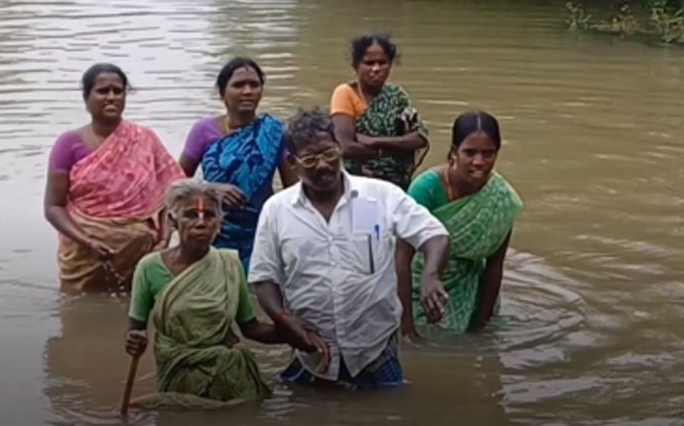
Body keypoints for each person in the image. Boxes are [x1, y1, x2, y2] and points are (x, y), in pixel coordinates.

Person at [248, 108, 450, 391]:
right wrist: (283, 319)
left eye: (329, 154)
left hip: (375, 349)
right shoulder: (277, 210)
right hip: (312, 352)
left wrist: (431, 274)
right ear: (292, 163)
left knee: (389, 424)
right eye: (310, 159)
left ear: (340, 148)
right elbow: (263, 277)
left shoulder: (378, 196)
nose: (322, 166)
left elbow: (434, 234)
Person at [124, 179, 325, 406]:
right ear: (173, 221)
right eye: (191, 215)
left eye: (209, 215)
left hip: (231, 376)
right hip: (178, 373)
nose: (201, 223)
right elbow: (135, 331)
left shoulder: (229, 264)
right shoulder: (149, 268)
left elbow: (251, 328)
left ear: (220, 223)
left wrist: (295, 334)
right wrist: (134, 342)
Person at [44, 63, 185, 293]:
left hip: (141, 254)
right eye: (102, 91)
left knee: (139, 315)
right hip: (83, 255)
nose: (111, 97)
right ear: (86, 98)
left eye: (118, 91)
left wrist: (164, 241)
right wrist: (87, 242)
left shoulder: (145, 139)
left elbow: (174, 194)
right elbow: (53, 207)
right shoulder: (68, 145)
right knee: (79, 315)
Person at [396, 111, 523, 337]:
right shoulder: (426, 189)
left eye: (488, 153)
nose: (479, 162)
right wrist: (407, 329)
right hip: (418, 285)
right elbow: (401, 258)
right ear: (454, 152)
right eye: (470, 152)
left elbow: (494, 268)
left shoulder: (500, 198)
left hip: (470, 289)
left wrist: (482, 325)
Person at [178, 57, 299, 271]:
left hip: (260, 230)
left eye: (254, 85)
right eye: (238, 85)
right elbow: (176, 181)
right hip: (213, 231)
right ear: (222, 93)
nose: (247, 91)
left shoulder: (275, 132)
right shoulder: (203, 131)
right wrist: (212, 190)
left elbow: (294, 190)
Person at [330, 32, 429, 191]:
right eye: (369, 63)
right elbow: (345, 146)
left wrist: (375, 141)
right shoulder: (345, 93)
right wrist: (394, 151)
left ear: (390, 64)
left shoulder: (397, 95)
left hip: (397, 183)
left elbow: (420, 138)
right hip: (358, 181)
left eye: (382, 62)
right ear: (356, 65)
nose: (376, 69)